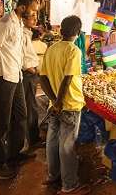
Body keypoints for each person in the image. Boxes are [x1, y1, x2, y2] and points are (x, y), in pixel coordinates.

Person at [0, 0, 40, 180]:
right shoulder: (5, 23)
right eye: (33, 11)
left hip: (16, 77)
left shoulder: (18, 24)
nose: (35, 14)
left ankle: (13, 154)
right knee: (0, 123)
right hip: (3, 79)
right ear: (22, 8)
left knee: (20, 117)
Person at [39, 16, 90, 194]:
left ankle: (53, 175)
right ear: (78, 32)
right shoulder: (73, 51)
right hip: (69, 104)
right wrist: (59, 101)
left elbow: (42, 77)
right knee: (67, 145)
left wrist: (53, 100)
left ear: (61, 30)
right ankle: (69, 185)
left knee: (52, 141)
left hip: (55, 105)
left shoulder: (52, 49)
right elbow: (68, 78)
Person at [21, 9, 42, 151]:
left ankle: (32, 138)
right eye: (32, 16)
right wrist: (34, 71)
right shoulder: (22, 34)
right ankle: (32, 140)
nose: (35, 19)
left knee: (31, 106)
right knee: (31, 107)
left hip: (30, 74)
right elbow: (23, 58)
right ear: (24, 19)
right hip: (28, 75)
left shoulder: (27, 33)